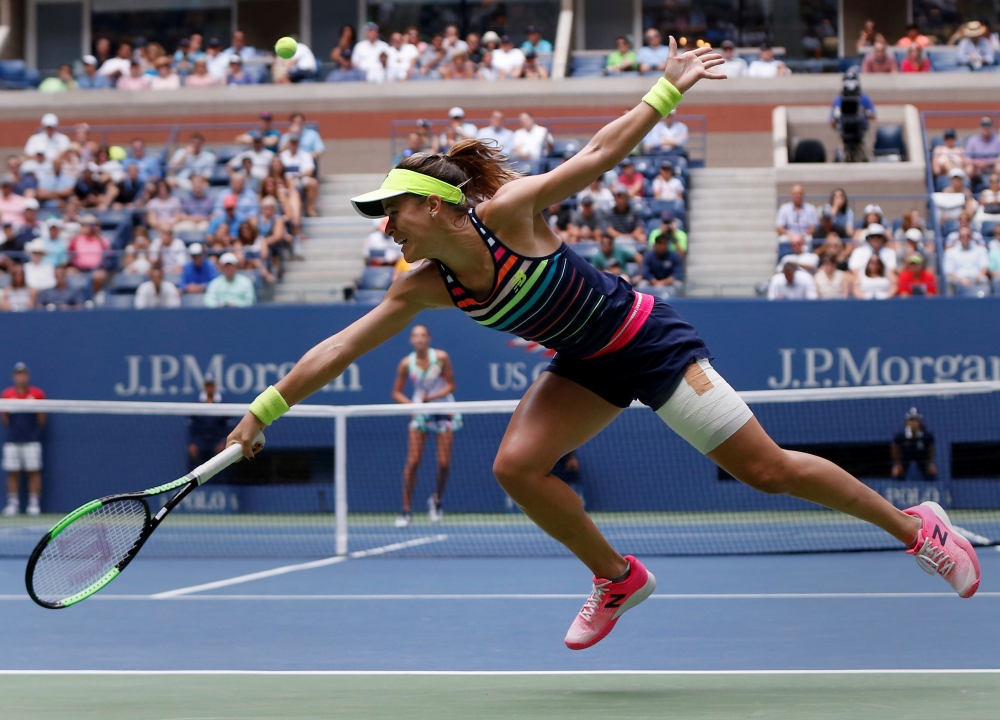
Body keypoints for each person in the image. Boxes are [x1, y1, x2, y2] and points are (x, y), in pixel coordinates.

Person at [227, 42, 980, 654]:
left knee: (767, 472)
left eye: (391, 212)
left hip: (644, 342)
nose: (384, 228)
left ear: (434, 205)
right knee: (516, 468)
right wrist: (265, 409)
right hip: (583, 365)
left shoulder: (510, 215)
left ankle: (919, 529)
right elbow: (338, 348)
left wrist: (666, 89)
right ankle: (617, 577)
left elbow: (593, 157)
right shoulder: (420, 286)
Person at [391, 324, 461, 527]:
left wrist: (433, 397)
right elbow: (396, 393)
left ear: (429, 339)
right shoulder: (406, 363)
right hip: (421, 412)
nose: (419, 339)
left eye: (423, 335)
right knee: (413, 462)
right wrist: (413, 405)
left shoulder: (441, 357)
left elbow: (451, 385)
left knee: (444, 463)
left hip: (444, 410)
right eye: (416, 335)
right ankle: (405, 510)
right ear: (411, 340)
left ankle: (437, 500)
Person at [1, 363, 45, 516]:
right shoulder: (6, 394)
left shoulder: (37, 394)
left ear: (28, 376)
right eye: (18, 374)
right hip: (12, 441)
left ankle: (34, 504)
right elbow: (5, 418)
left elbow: (41, 418)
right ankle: (13, 504)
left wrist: (32, 433)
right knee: (13, 472)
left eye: (23, 374)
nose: (21, 377)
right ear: (14, 377)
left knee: (34, 471)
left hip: (32, 441)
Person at [187, 374, 229, 469]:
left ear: (215, 387)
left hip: (217, 444)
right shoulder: (196, 405)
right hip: (200, 445)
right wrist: (192, 443)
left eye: (211, 385)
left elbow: (227, 427)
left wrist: (224, 443)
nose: (209, 388)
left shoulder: (223, 405)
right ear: (204, 387)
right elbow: (192, 427)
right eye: (207, 385)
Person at [891, 408, 936, 481]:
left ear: (920, 422)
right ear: (907, 422)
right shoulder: (900, 436)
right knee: (897, 472)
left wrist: (930, 463)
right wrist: (898, 464)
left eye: (915, 420)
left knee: (931, 472)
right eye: (911, 420)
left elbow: (931, 449)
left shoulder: (927, 436)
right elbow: (895, 448)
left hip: (922, 457)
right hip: (905, 457)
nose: (913, 423)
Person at [639, 231, 684, 297]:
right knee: (642, 285)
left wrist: (664, 282)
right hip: (652, 281)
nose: (662, 246)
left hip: (668, 281)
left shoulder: (674, 255)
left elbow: (678, 272)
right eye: (660, 243)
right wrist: (654, 281)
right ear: (656, 244)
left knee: (679, 285)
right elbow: (645, 272)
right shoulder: (648, 255)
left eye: (664, 243)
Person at [963, 117, 1000, 183]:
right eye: (983, 125)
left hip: (992, 167)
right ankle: (968, 190)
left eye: (988, 125)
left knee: (999, 166)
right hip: (977, 169)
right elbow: (966, 159)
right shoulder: (973, 140)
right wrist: (977, 163)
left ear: (992, 127)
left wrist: (988, 163)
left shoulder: (998, 140)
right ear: (979, 127)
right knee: (969, 168)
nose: (986, 128)